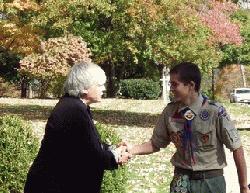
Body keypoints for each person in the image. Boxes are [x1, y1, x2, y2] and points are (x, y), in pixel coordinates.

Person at [126, 62, 249, 193]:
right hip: (181, 180)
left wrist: (243, 187)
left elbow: (236, 147)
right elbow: (156, 143)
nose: (171, 88)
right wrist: (132, 150)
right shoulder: (170, 111)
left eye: (174, 84)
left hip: (210, 182)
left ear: (191, 85)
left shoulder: (215, 111)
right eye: (170, 84)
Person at [24, 61, 131, 193]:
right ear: (84, 88)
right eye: (99, 85)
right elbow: (93, 157)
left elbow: (84, 145)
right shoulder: (73, 110)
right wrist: (116, 157)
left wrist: (112, 148)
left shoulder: (74, 106)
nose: (103, 88)